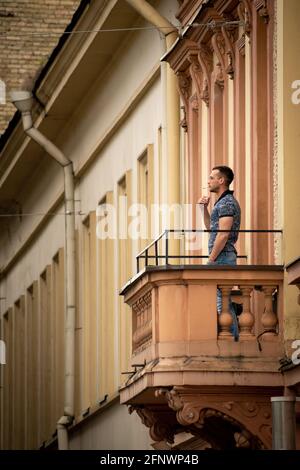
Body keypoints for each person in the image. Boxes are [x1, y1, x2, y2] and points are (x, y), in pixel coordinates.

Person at [198, 166, 241, 341]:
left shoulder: (227, 203)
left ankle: (234, 340)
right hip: (222, 255)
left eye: (211, 177)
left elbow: (223, 235)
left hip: (222, 256)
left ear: (221, 180)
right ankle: (234, 336)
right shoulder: (221, 203)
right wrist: (203, 209)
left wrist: (211, 260)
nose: (208, 181)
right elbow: (212, 229)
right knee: (222, 301)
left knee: (221, 302)